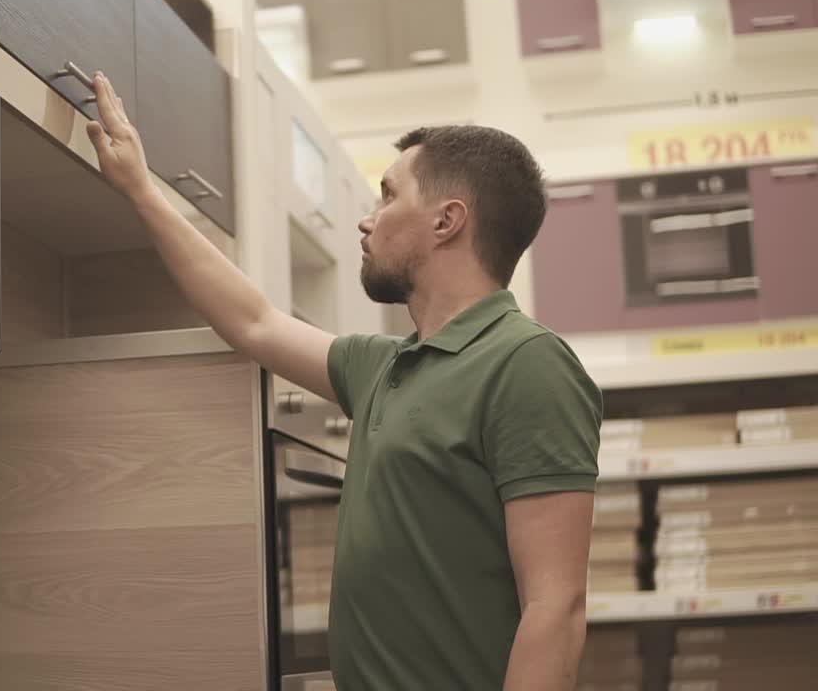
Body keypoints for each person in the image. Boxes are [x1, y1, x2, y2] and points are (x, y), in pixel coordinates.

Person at [85, 72, 602, 691]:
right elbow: (254, 321)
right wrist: (141, 188)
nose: (367, 220)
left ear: (447, 221)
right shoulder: (382, 366)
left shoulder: (526, 363)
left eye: (387, 196)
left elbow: (557, 607)